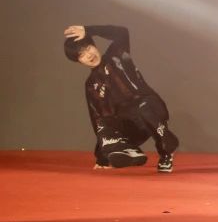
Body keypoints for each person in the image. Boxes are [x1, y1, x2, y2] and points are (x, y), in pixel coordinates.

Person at [63, 24, 180, 173]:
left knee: (143, 108)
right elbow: (97, 118)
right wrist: (102, 156)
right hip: (133, 125)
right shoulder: (91, 85)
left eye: (88, 48)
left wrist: (89, 30)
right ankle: (131, 152)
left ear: (95, 46)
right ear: (79, 61)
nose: (89, 55)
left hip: (151, 110)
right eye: (82, 54)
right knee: (103, 137)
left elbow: (122, 32)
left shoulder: (116, 54)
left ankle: (166, 148)